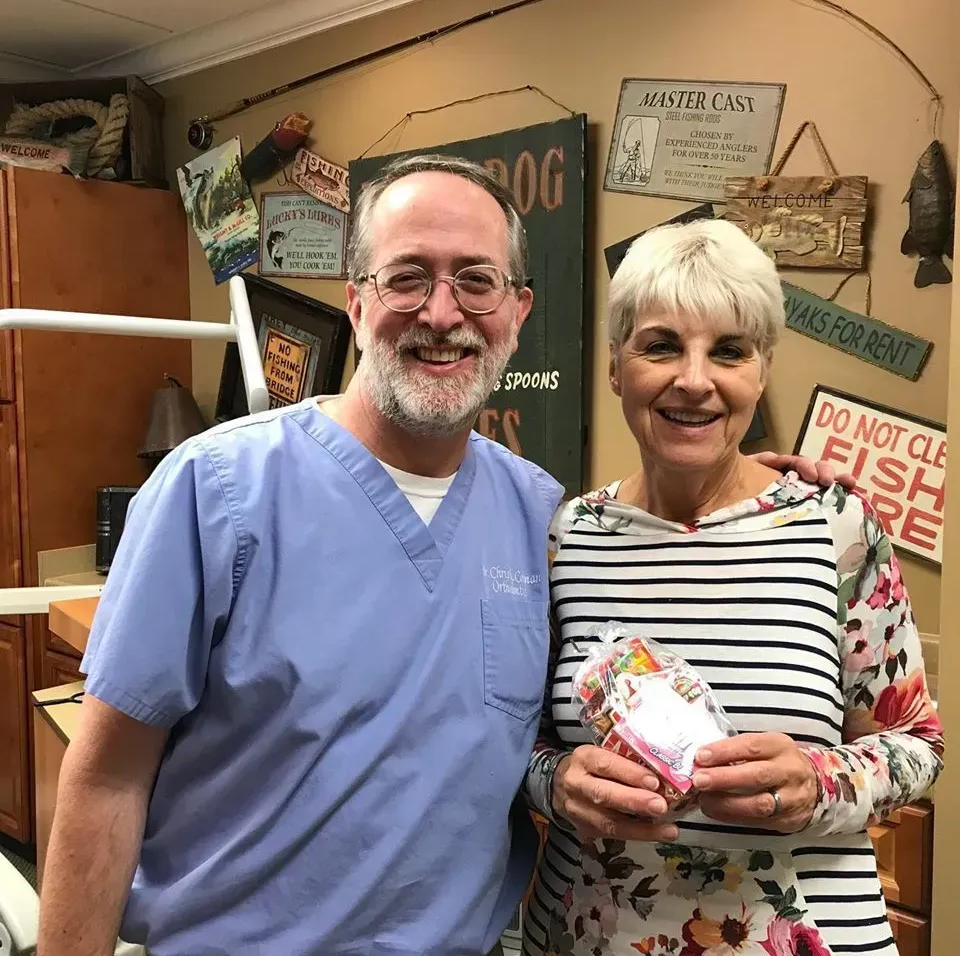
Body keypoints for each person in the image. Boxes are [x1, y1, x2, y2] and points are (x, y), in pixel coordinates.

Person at [38, 156, 846, 956]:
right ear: (356, 302)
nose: (441, 312)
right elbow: (107, 778)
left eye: (476, 281)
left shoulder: (538, 515)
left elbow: (534, 738)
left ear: (517, 310)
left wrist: (744, 483)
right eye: (407, 276)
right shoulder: (214, 492)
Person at [522, 219, 943, 956]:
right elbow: (517, 744)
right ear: (617, 367)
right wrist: (557, 785)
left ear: (761, 369)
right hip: (587, 936)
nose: (693, 379)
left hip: (803, 934)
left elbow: (919, 744)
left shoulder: (836, 526)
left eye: (728, 350)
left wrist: (821, 781)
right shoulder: (568, 540)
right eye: (659, 345)